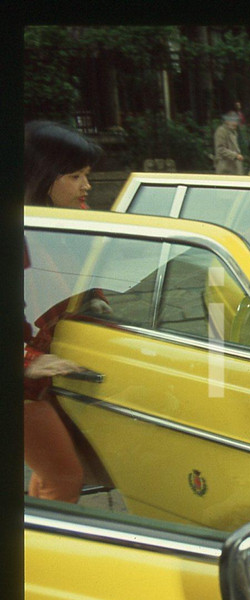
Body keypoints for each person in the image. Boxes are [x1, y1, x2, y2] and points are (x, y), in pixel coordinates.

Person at [23, 121, 104, 502]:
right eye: (74, 176)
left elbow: (83, 278)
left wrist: (95, 300)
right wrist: (28, 360)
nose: (86, 186)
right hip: (25, 382)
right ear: (41, 178)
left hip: (40, 379)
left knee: (50, 474)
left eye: (86, 175)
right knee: (64, 477)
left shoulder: (60, 224)